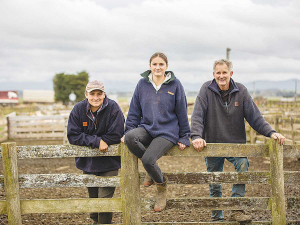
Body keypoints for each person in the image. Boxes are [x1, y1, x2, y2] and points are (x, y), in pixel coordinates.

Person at [191, 59, 285, 222]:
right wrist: (197, 136)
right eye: (218, 73)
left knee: (243, 164)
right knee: (215, 180)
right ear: (213, 74)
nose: (221, 76)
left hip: (236, 145)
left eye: (224, 72)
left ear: (231, 74)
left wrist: (271, 132)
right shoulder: (206, 90)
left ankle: (237, 208)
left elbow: (255, 118)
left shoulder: (241, 91)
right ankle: (217, 216)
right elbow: (197, 115)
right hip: (212, 144)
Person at [121, 52, 190, 212]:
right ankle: (151, 170)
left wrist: (185, 136)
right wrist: (129, 130)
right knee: (131, 138)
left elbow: (182, 111)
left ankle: (161, 187)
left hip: (167, 132)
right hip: (147, 128)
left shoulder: (175, 84)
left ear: (166, 66)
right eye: (154, 64)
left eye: (161, 64)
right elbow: (134, 111)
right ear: (150, 66)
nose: (158, 67)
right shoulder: (142, 84)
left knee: (148, 160)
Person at [67, 80, 125, 224]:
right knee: (93, 198)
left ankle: (104, 223)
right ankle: (95, 221)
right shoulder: (78, 109)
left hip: (109, 162)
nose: (96, 97)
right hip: (88, 163)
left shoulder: (113, 108)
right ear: (86, 94)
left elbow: (117, 133)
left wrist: (103, 140)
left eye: (99, 94)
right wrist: (97, 141)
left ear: (104, 94)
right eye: (92, 94)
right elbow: (73, 135)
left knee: (104, 201)